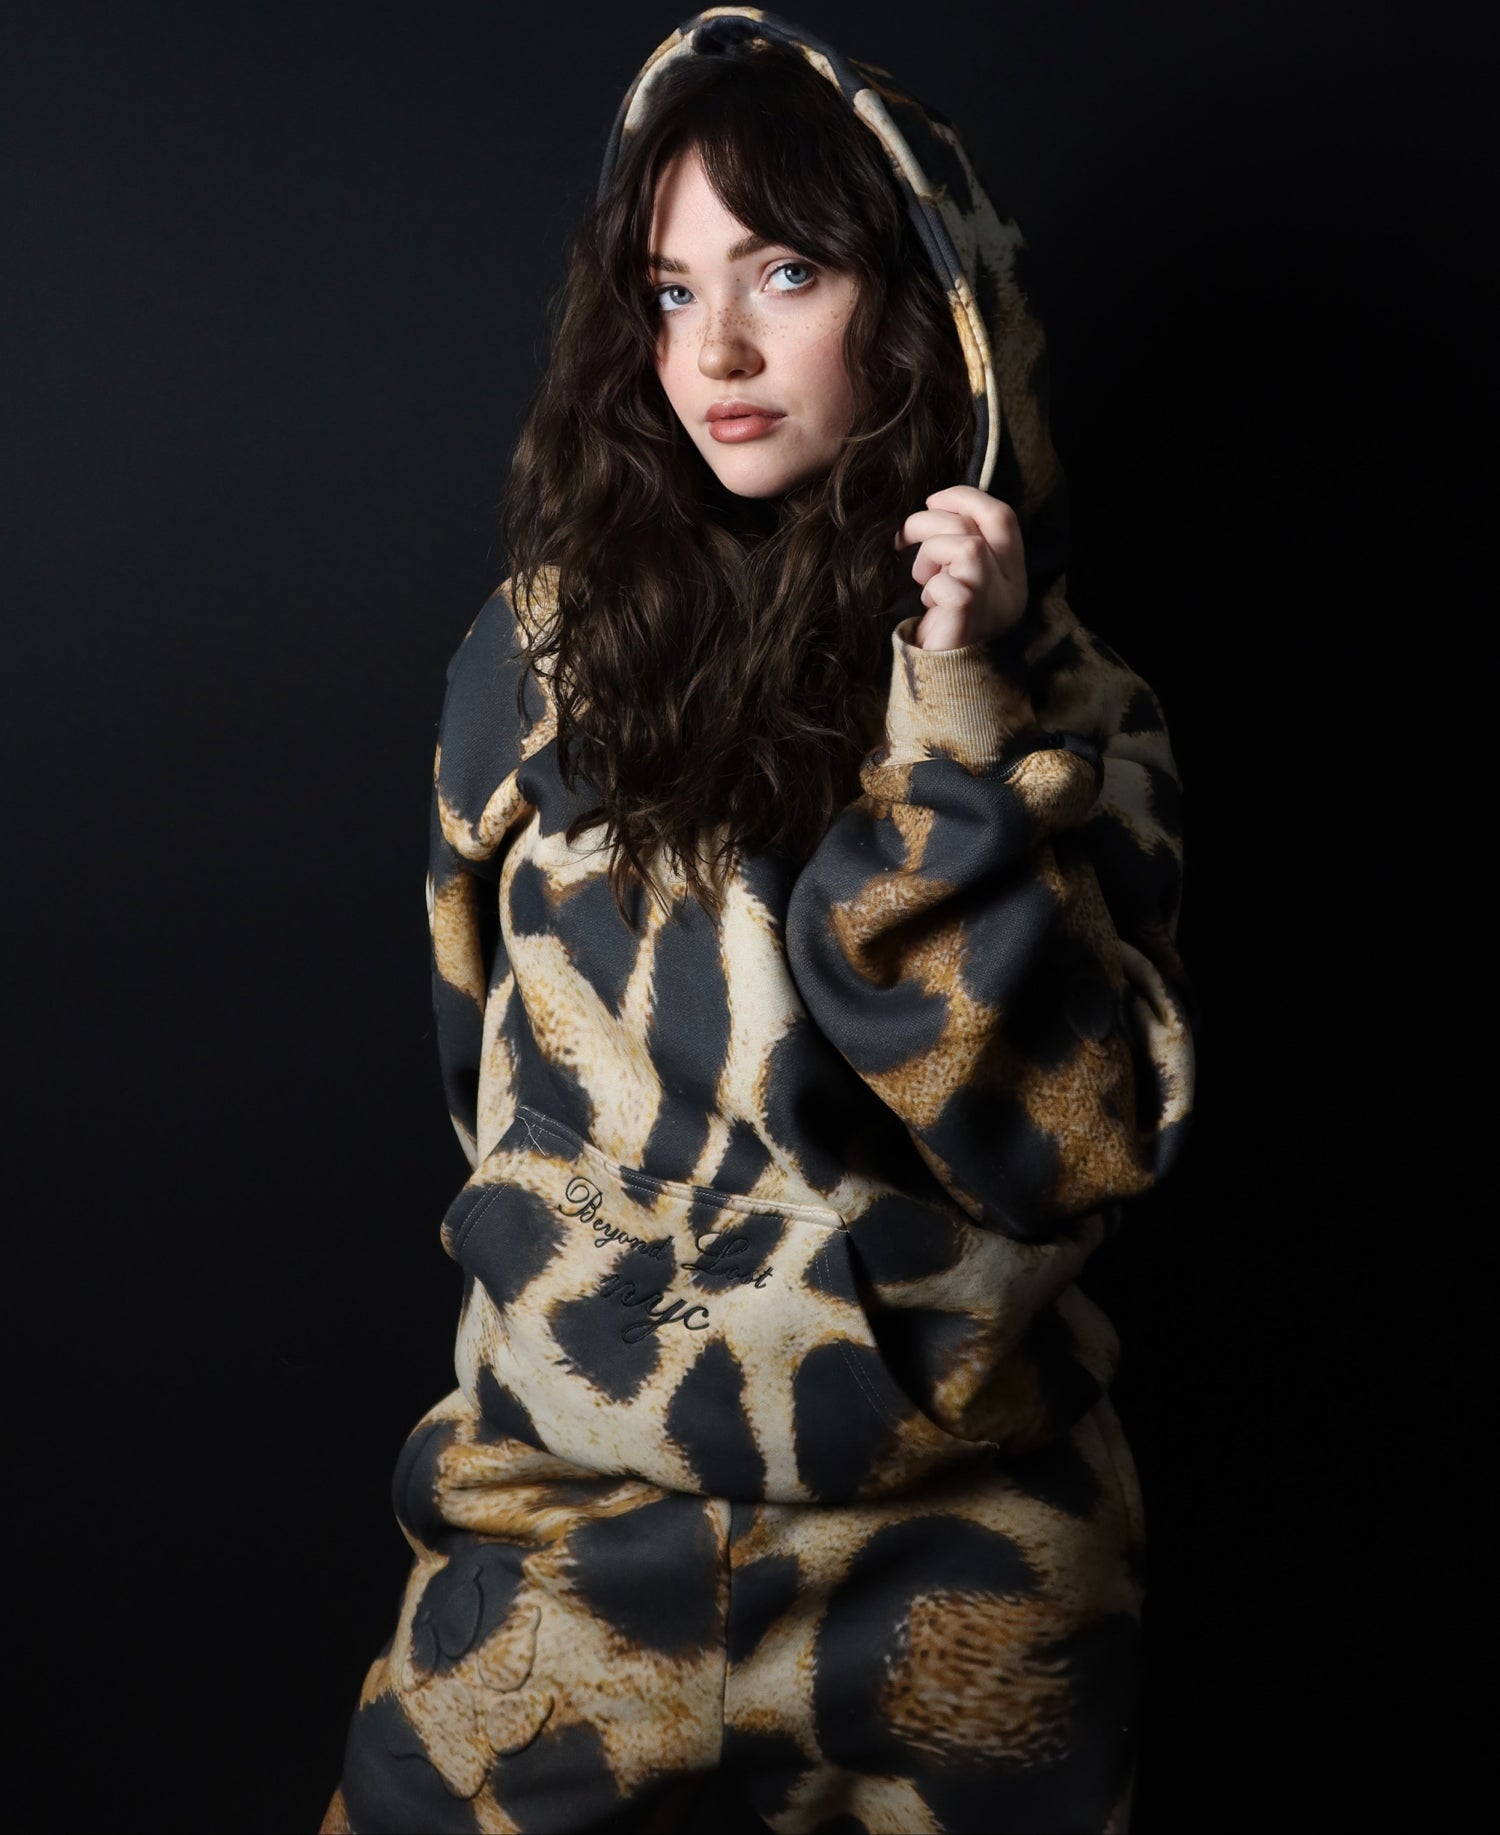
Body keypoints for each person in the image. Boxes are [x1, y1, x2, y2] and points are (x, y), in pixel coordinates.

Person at [319, 10, 1195, 1833]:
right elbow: (474, 1058)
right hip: (571, 1523)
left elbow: (1072, 1145)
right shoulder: (541, 659)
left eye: (785, 272)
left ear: (930, 305)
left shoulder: (1069, 704)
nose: (713, 349)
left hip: (961, 1548)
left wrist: (958, 719)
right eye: (667, 290)